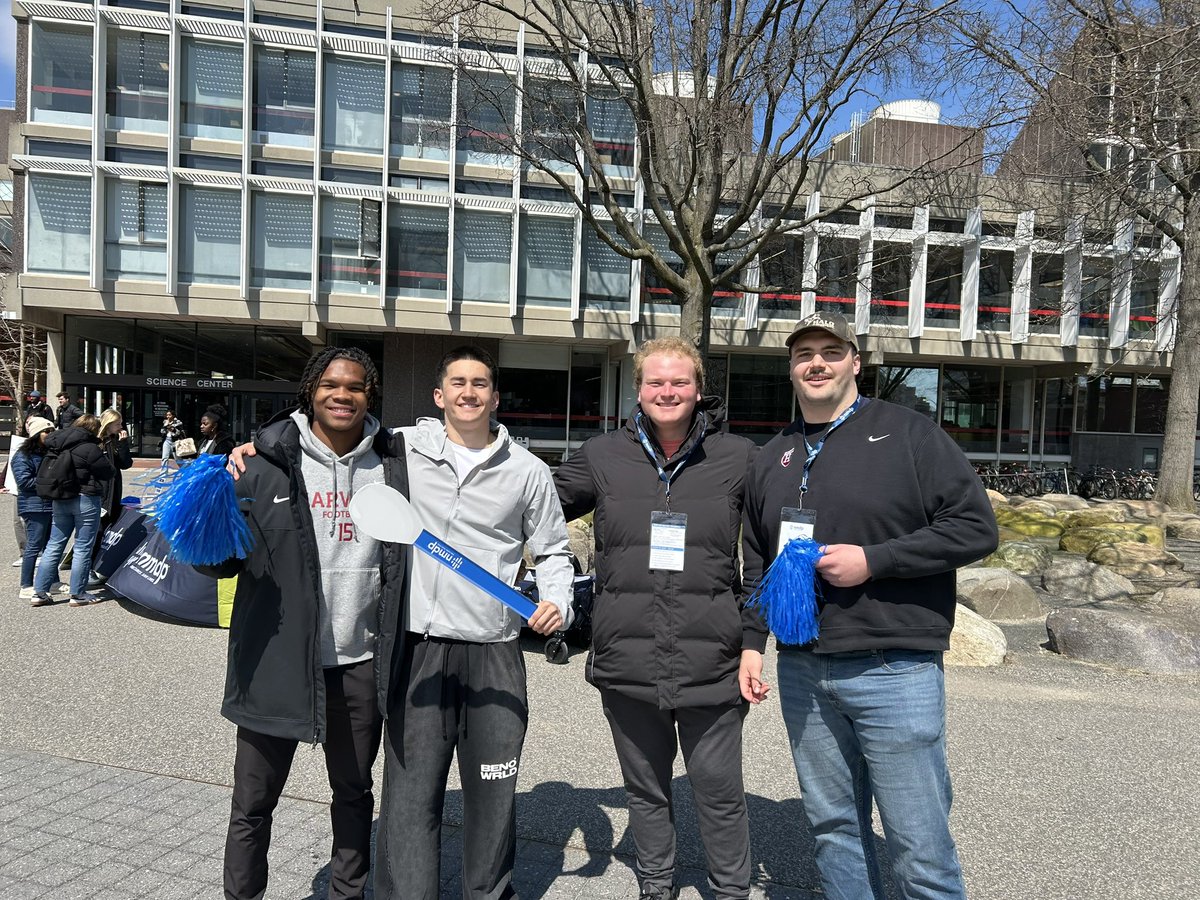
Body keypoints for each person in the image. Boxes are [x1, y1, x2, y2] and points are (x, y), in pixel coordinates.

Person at [739, 312, 999, 900]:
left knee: (918, 843)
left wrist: (874, 560)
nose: (817, 363)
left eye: (831, 351)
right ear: (791, 368)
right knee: (834, 829)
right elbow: (757, 556)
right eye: (804, 353)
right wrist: (753, 642)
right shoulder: (774, 454)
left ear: (856, 362)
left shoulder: (910, 434)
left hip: (894, 667)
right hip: (804, 666)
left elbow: (974, 529)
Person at [554, 337, 758, 900]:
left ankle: (730, 890)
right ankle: (656, 884)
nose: (667, 392)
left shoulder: (738, 458)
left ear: (698, 389)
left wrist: (754, 641)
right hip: (627, 657)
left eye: (680, 382)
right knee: (645, 790)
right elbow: (535, 503)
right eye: (655, 382)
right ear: (637, 389)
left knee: (718, 792)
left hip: (712, 660)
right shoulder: (601, 456)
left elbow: (769, 551)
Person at [207, 347, 409, 900]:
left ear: (371, 396)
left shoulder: (395, 465)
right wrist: (202, 520)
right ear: (310, 391)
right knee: (252, 805)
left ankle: (349, 893)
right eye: (330, 385)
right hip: (275, 663)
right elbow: (221, 558)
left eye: (356, 387)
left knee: (353, 794)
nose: (342, 395)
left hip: (359, 665)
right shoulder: (260, 464)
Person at [374, 345, 573, 900]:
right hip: (418, 651)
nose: (469, 392)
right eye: (457, 383)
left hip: (495, 652)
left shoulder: (528, 470)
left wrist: (559, 601)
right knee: (411, 798)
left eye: (480, 383)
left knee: (493, 796)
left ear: (495, 396)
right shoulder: (402, 449)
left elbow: (554, 551)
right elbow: (330, 434)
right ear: (439, 396)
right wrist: (255, 445)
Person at [32, 413, 115, 608]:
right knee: (83, 546)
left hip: (60, 497)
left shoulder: (55, 443)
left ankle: (39, 592)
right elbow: (108, 472)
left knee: (54, 544)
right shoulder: (89, 448)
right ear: (93, 430)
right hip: (85, 498)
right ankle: (77, 594)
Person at [11, 416, 64, 604]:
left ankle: (53, 582)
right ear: (35, 434)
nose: (50, 434)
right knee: (34, 545)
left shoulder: (49, 453)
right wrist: (51, 483)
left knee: (52, 545)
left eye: (52, 431)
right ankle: (26, 585)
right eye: (46, 431)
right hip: (33, 505)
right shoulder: (22, 455)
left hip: (50, 504)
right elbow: (24, 481)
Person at [90, 409, 133, 585]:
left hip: (113, 493)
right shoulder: (97, 443)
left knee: (106, 530)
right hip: (100, 495)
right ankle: (88, 569)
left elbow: (126, 463)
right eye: (118, 424)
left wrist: (123, 444)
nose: (121, 427)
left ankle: (96, 566)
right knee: (96, 532)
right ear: (108, 425)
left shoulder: (115, 441)